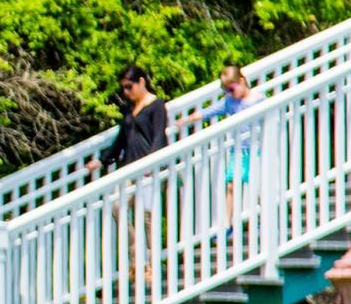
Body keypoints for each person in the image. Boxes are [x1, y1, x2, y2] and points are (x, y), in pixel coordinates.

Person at [85, 65, 169, 281]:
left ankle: (152, 264)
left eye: (129, 86)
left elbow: (159, 136)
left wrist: (152, 163)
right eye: (123, 88)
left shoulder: (157, 105)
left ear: (141, 82)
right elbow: (121, 140)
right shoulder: (130, 109)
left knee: (147, 218)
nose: (126, 92)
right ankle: (137, 259)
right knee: (117, 207)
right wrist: (102, 161)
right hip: (128, 169)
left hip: (148, 170)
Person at [175, 65, 263, 238]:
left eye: (231, 88)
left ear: (241, 81)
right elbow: (208, 112)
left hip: (256, 149)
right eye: (226, 90)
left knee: (257, 186)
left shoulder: (258, 100)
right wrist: (186, 120)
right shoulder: (229, 102)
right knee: (231, 186)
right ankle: (227, 225)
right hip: (238, 150)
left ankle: (260, 218)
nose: (230, 93)